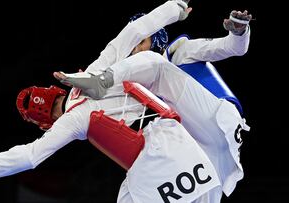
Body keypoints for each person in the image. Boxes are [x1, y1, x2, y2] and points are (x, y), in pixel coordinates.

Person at [53, 9, 253, 203]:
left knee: (150, 66)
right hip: (204, 151)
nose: (135, 49)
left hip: (216, 120)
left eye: (141, 41)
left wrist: (238, 33)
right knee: (134, 192)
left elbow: (231, 47)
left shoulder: (179, 52)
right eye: (132, 45)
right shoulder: (133, 86)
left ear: (157, 39)